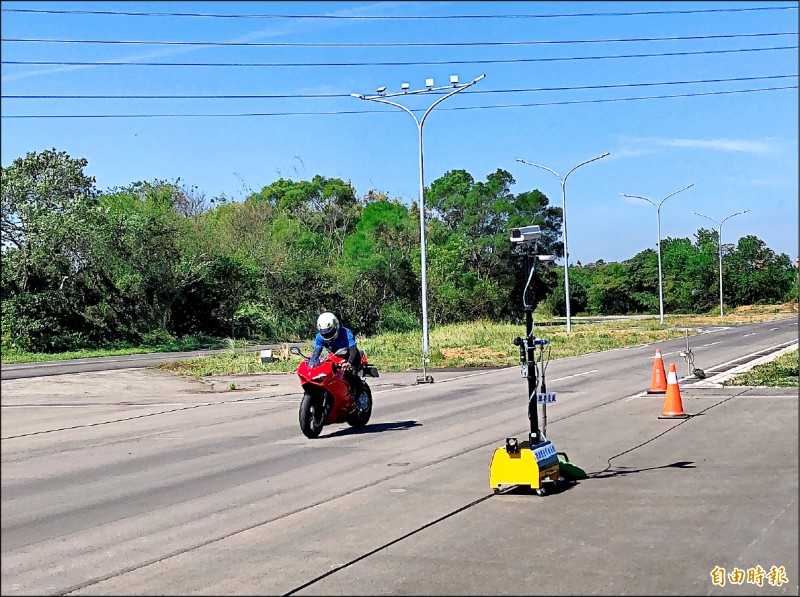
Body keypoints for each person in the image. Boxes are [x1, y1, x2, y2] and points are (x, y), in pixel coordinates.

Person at [308, 312, 369, 410]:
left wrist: (349, 362)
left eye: (329, 332)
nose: (327, 334)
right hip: (335, 357)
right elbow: (316, 352)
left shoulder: (346, 333)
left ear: (335, 326)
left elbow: (353, 349)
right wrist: (312, 363)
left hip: (351, 357)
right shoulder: (320, 337)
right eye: (324, 333)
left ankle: (361, 395)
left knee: (351, 375)